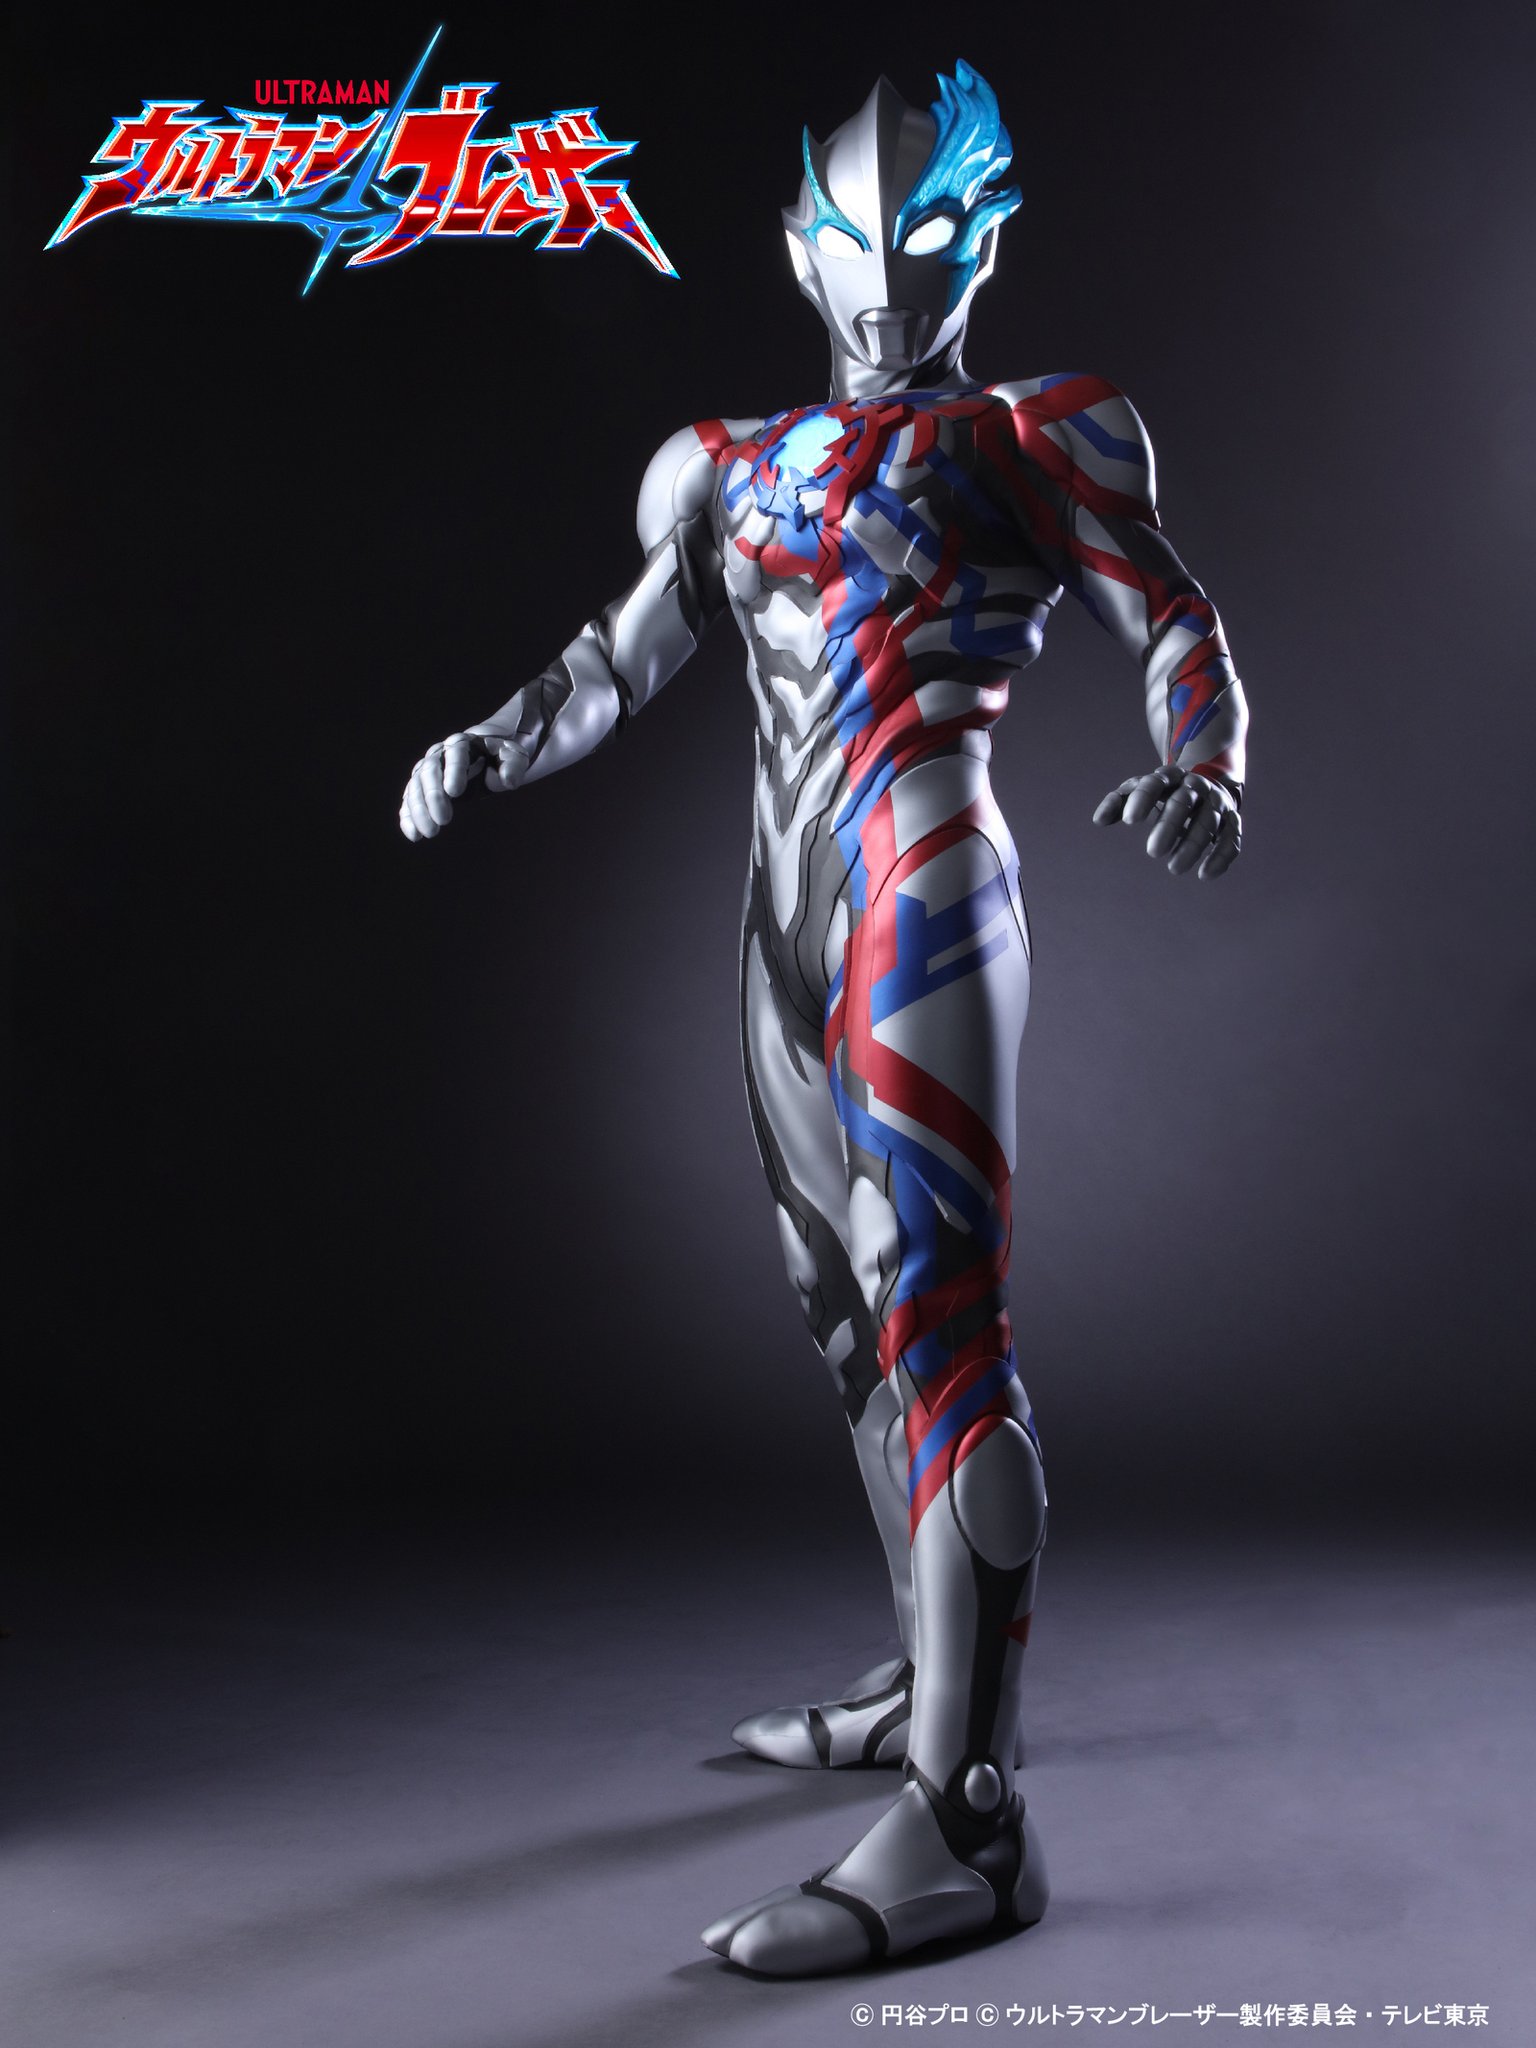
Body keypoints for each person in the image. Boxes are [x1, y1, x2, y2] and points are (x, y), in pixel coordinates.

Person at [399, 60, 1248, 1977]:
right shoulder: (722, 462)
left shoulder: (1037, 432)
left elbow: (1176, 618)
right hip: (783, 921)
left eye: (931, 238)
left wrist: (1206, 768)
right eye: (858, 240)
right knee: (841, 1310)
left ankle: (973, 1817)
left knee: (939, 1315)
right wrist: (493, 741)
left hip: (924, 887)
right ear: (800, 245)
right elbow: (621, 658)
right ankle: (928, 1679)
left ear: (986, 242)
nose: (890, 280)